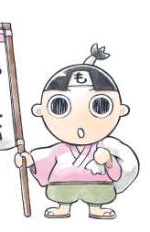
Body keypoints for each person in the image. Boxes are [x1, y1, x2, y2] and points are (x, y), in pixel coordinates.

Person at [15, 44, 139, 219]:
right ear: (40, 110)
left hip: (98, 187)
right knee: (60, 193)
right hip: (62, 186)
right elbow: (45, 159)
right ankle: (63, 207)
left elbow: (115, 173)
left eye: (100, 106)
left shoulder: (104, 147)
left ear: (120, 110)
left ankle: (96, 207)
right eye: (60, 106)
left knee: (99, 193)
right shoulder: (59, 150)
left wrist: (109, 161)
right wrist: (29, 160)